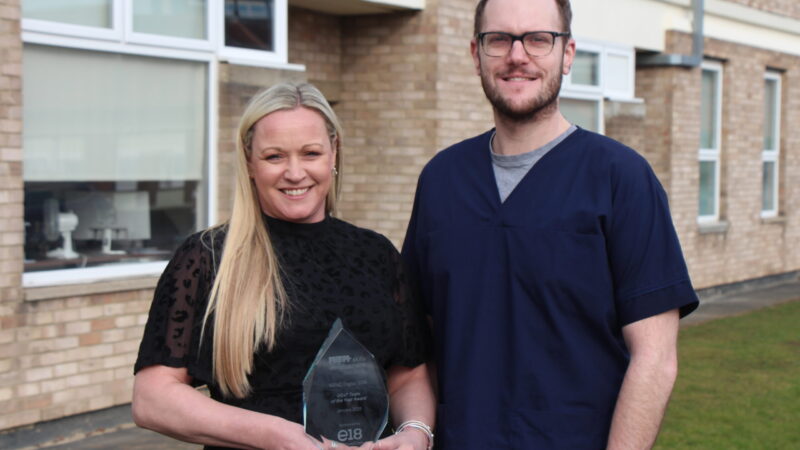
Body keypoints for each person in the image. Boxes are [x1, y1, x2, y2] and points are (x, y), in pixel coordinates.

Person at [401, 0, 699, 448]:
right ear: (475, 53)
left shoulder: (620, 179)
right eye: (498, 39)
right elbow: (416, 342)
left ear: (568, 53)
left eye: (539, 39)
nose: (517, 55)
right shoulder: (442, 180)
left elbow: (654, 360)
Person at [133, 82, 435, 450]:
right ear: (249, 162)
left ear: (334, 152)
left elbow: (407, 374)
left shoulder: (376, 252)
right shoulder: (208, 257)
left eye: (310, 153)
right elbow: (153, 398)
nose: (295, 173)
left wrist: (417, 432)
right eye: (274, 157)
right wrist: (278, 437)